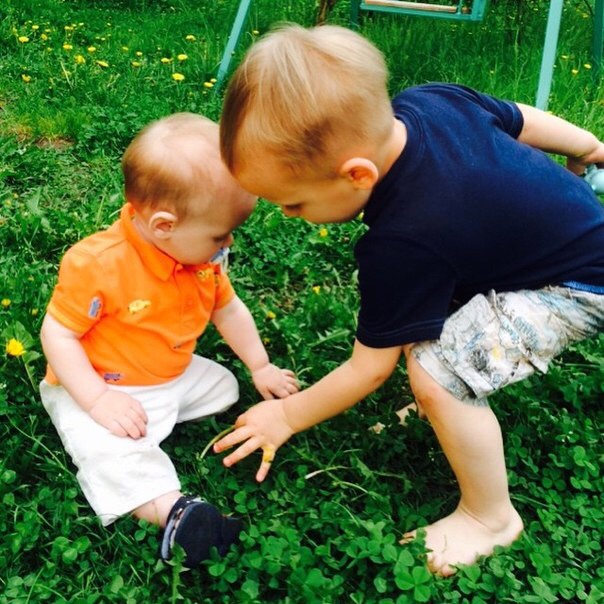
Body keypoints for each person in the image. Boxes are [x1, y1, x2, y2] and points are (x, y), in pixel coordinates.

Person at [213, 24, 604, 576]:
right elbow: (520, 118)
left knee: (436, 370)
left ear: (357, 175)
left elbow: (369, 368)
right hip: (574, 234)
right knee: (433, 318)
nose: (288, 215)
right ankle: (446, 419)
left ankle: (490, 517)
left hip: (577, 288)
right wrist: (587, 146)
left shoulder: (402, 242)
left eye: (294, 203)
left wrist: (286, 415)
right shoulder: (429, 102)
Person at [39, 112, 298, 568]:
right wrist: (98, 399)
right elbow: (57, 333)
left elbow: (228, 309)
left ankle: (153, 425)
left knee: (225, 387)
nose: (228, 243)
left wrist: (259, 366)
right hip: (100, 382)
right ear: (164, 226)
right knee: (106, 450)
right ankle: (174, 511)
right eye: (219, 234)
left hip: (168, 374)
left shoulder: (201, 259)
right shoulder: (99, 264)